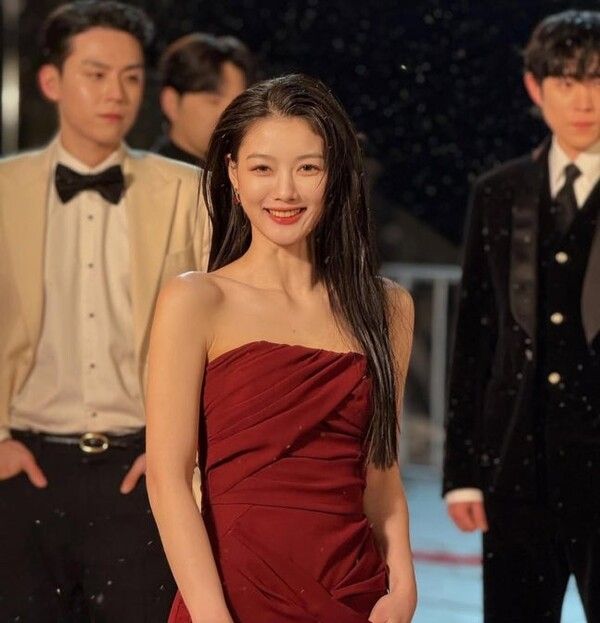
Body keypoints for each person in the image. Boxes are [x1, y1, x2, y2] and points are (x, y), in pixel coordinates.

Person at [145, 74, 417, 623]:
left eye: (308, 168)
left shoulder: (387, 308)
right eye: (263, 168)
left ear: (334, 175)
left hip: (353, 593)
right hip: (233, 595)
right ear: (233, 175)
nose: (285, 192)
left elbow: (380, 473)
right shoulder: (196, 299)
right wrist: (212, 615)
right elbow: (168, 478)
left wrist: (404, 586)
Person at [0, 2, 210, 621]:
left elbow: (225, 331)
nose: (116, 92)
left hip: (143, 472)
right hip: (22, 472)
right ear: (51, 81)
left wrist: (184, 451)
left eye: (131, 76)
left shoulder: (189, 192)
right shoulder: (4, 190)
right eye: (96, 74)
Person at [443, 10, 600, 622]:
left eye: (597, 79)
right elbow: (475, 338)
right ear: (536, 87)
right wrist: (462, 471)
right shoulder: (499, 192)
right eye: (566, 81)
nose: (584, 99)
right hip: (516, 470)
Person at [153, 32, 253, 168]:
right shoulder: (150, 176)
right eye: (214, 101)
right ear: (171, 103)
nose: (230, 115)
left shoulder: (238, 172)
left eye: (237, 104)